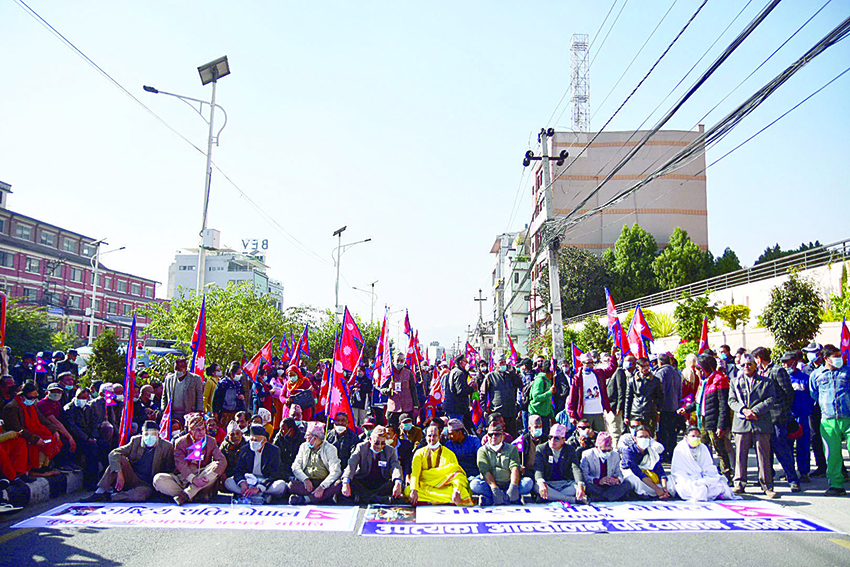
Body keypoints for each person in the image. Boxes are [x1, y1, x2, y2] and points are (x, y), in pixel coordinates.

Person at [86, 420, 175, 502]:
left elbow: (170, 467)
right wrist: (119, 473)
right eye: (146, 434)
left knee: (139, 495)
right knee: (118, 459)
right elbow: (114, 453)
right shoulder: (136, 441)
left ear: (158, 435)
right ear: (142, 434)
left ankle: (112, 496)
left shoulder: (166, 446)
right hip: (132, 476)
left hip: (148, 484)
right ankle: (100, 492)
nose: (149, 437)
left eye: (153, 434)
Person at [678, 354, 734, 483]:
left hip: (714, 421)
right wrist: (686, 409)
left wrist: (721, 425)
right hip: (703, 420)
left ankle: (726, 474)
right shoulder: (704, 382)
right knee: (702, 448)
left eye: (699, 369)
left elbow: (723, 406)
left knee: (719, 449)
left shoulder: (720, 381)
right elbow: (699, 402)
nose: (697, 372)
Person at [728, 353, 777, 498]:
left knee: (764, 456)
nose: (746, 367)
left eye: (749, 364)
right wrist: (744, 410)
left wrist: (754, 411)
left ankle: (767, 486)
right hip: (741, 423)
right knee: (740, 455)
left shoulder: (766, 382)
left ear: (755, 365)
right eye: (743, 365)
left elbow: (771, 399)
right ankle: (739, 483)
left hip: (760, 422)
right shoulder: (735, 382)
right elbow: (731, 401)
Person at [752, 346, 800, 492]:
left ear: (759, 358)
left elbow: (788, 392)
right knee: (765, 449)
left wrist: (783, 411)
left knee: (782, 448)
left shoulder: (777, 370)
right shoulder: (759, 372)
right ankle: (767, 477)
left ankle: (792, 478)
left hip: (778, 417)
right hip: (763, 417)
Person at [153, 413, 227, 505]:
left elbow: (222, 461)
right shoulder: (181, 442)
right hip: (184, 479)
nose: (201, 432)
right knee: (158, 480)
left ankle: (186, 495)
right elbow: (180, 464)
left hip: (203, 477)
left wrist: (199, 480)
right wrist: (193, 479)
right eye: (197, 430)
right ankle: (194, 495)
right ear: (190, 432)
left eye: (203, 429)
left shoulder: (211, 441)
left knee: (215, 465)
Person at [809, 344, 850, 496]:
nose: (839, 359)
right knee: (832, 455)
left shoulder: (847, 372)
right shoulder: (816, 375)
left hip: (848, 418)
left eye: (840, 356)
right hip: (828, 420)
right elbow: (814, 394)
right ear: (826, 358)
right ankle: (836, 485)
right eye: (836, 356)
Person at [1, 382, 62, 476]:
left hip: (33, 431)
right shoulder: (12, 408)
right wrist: (34, 438)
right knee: (33, 442)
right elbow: (16, 428)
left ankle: (43, 467)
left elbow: (42, 419)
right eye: (30, 398)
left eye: (35, 397)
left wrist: (54, 430)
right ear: (22, 396)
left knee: (51, 437)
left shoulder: (32, 405)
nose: (33, 400)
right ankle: (34, 469)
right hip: (23, 434)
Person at [406, 424, 473, 506]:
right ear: (426, 437)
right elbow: (415, 474)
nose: (432, 438)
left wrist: (457, 490)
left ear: (439, 437)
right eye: (429, 436)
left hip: (444, 487)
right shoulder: (419, 453)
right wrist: (414, 490)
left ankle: (433, 500)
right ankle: (447, 501)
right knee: (408, 491)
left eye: (434, 436)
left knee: (462, 492)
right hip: (425, 487)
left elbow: (457, 475)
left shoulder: (449, 454)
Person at [470, 423, 533, 506]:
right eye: (490, 435)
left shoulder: (512, 448)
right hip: (490, 485)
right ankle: (506, 498)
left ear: (502, 436)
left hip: (508, 483)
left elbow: (514, 468)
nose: (493, 437)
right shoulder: (482, 450)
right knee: (474, 485)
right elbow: (485, 471)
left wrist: (513, 486)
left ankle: (497, 498)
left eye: (497, 434)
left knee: (528, 483)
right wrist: (495, 489)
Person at [340, 426, 404, 504]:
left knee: (396, 483)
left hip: (381, 483)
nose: (379, 446)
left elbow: (396, 466)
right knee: (348, 481)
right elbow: (352, 464)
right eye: (376, 443)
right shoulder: (361, 447)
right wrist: (346, 482)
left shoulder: (390, 450)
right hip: (364, 480)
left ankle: (367, 498)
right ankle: (377, 499)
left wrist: (398, 482)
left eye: (383, 443)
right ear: (370, 439)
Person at [671, 426, 735, 502]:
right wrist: (694, 481)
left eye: (698, 436)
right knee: (695, 489)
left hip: (702, 478)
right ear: (686, 437)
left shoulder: (703, 447)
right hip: (687, 480)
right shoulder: (680, 449)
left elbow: (708, 466)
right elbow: (678, 472)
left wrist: (705, 479)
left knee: (720, 485)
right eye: (693, 436)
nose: (695, 438)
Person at [225, 424, 287, 500]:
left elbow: (275, 473)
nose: (253, 442)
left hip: (265, 481)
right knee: (228, 482)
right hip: (249, 481)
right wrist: (242, 482)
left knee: (281, 485)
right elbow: (238, 470)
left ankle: (254, 493)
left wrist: (259, 488)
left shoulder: (274, 450)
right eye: (251, 440)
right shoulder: (245, 449)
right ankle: (254, 494)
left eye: (256, 440)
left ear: (264, 440)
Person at [288, 422, 342, 505]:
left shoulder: (330, 448)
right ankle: (323, 497)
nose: (305, 438)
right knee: (292, 485)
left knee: (338, 484)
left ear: (315, 438)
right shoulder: (303, 446)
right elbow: (295, 466)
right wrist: (305, 479)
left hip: (324, 482)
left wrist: (322, 486)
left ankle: (306, 499)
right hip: (308, 482)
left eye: (308, 436)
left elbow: (336, 471)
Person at [782, 351, 815, 483]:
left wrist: (805, 411)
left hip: (801, 417)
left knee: (803, 445)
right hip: (786, 417)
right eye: (783, 362)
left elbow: (811, 397)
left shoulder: (804, 378)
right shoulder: (782, 377)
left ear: (794, 362)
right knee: (786, 446)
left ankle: (804, 472)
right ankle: (789, 472)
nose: (785, 364)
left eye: (787, 362)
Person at [567, 349, 618, 432]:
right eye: (588, 363)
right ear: (582, 364)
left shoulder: (598, 373)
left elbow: (611, 370)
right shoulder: (577, 378)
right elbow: (572, 398)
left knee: (601, 435)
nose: (591, 365)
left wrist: (613, 356)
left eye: (592, 362)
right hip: (585, 413)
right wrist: (572, 415)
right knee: (585, 435)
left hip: (598, 411)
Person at [534, 423, 585, 503]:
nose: (552, 441)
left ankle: (549, 497)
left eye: (556, 438)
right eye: (550, 437)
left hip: (564, 484)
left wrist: (580, 484)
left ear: (563, 440)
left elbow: (576, 468)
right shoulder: (541, 448)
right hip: (548, 483)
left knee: (578, 487)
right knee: (537, 487)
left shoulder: (570, 450)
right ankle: (571, 500)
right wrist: (541, 483)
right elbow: (538, 468)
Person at [619, 426, 673, 499]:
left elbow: (660, 471)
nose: (644, 439)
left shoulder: (651, 452)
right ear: (635, 438)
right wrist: (657, 489)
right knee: (633, 479)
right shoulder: (629, 451)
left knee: (671, 480)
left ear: (650, 439)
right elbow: (638, 472)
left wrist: (664, 488)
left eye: (646, 437)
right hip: (638, 479)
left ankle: (662, 493)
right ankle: (652, 492)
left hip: (650, 480)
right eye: (641, 437)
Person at [579, 432, 632, 502]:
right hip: (595, 485)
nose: (607, 453)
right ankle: (610, 497)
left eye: (609, 450)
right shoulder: (587, 455)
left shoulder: (615, 455)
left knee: (627, 484)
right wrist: (599, 481)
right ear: (597, 447)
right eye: (604, 451)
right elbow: (584, 476)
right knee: (587, 486)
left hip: (610, 486)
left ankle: (601, 497)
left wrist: (616, 480)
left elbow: (619, 473)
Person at [480, 355, 524, 437]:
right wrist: (485, 408)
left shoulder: (510, 376)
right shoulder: (490, 376)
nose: (503, 365)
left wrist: (512, 372)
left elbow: (520, 384)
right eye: (501, 363)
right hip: (497, 412)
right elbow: (483, 394)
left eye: (504, 363)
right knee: (498, 435)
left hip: (510, 412)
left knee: (512, 436)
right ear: (495, 364)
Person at [802, 341, 828, 477]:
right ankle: (821, 466)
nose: (809, 355)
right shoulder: (806, 369)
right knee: (815, 437)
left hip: (827, 408)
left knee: (830, 437)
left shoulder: (828, 367)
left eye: (812, 352)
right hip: (812, 410)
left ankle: (840, 468)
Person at [625, 357, 664, 436]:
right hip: (636, 412)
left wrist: (658, 411)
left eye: (647, 366)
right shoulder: (632, 380)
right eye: (643, 366)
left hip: (650, 412)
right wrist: (626, 415)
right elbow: (628, 398)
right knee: (635, 435)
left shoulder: (655, 381)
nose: (646, 368)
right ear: (638, 367)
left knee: (649, 435)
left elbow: (660, 397)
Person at [655, 352, 683, 462]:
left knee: (663, 433)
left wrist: (658, 407)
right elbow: (680, 391)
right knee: (672, 433)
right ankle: (671, 453)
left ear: (660, 362)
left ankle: (664, 454)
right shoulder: (676, 372)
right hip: (674, 406)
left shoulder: (661, 372)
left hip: (664, 408)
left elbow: (660, 392)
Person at [161, 358, 204, 425]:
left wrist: (199, 411)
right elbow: (164, 395)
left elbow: (199, 396)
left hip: (189, 413)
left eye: (180, 370)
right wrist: (163, 409)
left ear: (185, 369)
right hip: (172, 414)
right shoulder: (169, 379)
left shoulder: (195, 379)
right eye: (176, 370)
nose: (178, 372)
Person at [380, 353, 419, 426]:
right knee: (392, 429)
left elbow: (413, 390)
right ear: (393, 361)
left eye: (401, 361)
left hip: (407, 408)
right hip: (393, 408)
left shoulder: (408, 373)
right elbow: (382, 390)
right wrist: (389, 389)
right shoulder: (388, 373)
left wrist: (415, 406)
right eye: (397, 360)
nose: (399, 363)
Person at [606, 355, 634, 448]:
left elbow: (621, 390)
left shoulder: (619, 371)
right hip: (609, 406)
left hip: (615, 407)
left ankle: (616, 451)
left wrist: (619, 406)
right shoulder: (609, 373)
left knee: (615, 432)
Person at [443, 355, 475, 432]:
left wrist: (467, 385)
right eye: (466, 361)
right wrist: (472, 389)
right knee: (455, 430)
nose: (467, 363)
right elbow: (460, 391)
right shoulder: (459, 373)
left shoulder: (452, 372)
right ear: (461, 362)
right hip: (456, 408)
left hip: (451, 406)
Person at [212, 362, 248, 426]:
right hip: (224, 413)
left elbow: (243, 394)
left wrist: (241, 397)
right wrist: (215, 412)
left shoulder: (239, 384)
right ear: (232, 374)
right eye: (238, 374)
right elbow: (216, 400)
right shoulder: (223, 384)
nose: (239, 376)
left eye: (240, 374)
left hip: (236, 413)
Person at [527, 366, 555, 434]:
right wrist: (550, 392)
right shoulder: (540, 381)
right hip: (536, 413)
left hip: (545, 414)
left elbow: (548, 400)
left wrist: (552, 415)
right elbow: (536, 397)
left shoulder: (548, 381)